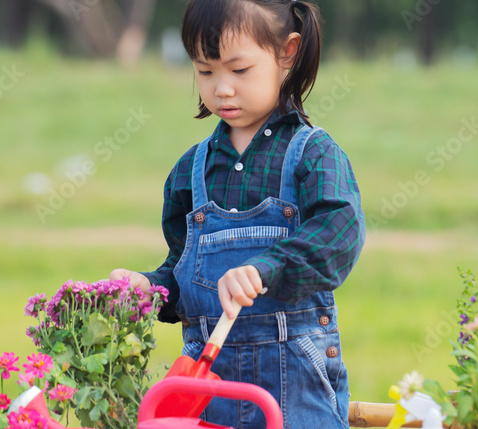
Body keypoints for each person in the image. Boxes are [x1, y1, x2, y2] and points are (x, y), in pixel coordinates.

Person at [107, 0, 365, 427]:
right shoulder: (190, 172)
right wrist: (147, 289)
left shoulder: (312, 154)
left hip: (295, 390)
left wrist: (267, 268)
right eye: (205, 71)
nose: (221, 88)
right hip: (208, 389)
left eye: (238, 70)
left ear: (288, 52)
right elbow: (184, 270)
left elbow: (337, 234)